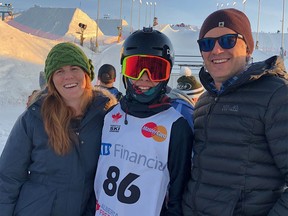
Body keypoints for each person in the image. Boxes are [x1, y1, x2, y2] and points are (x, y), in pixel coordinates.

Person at [182, 8, 288, 216]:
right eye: (207, 44)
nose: (216, 50)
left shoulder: (276, 95)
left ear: (248, 48)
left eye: (228, 40)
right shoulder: (204, 101)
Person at [0, 42, 117, 216]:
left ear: (87, 74)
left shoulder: (107, 115)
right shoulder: (34, 118)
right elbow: (8, 178)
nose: (68, 76)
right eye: (59, 71)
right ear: (51, 80)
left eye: (74, 68)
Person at [94, 27, 193, 216]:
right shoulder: (110, 116)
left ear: (167, 74)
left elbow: (177, 196)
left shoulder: (175, 126)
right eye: (136, 68)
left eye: (156, 70)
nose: (144, 78)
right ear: (124, 71)